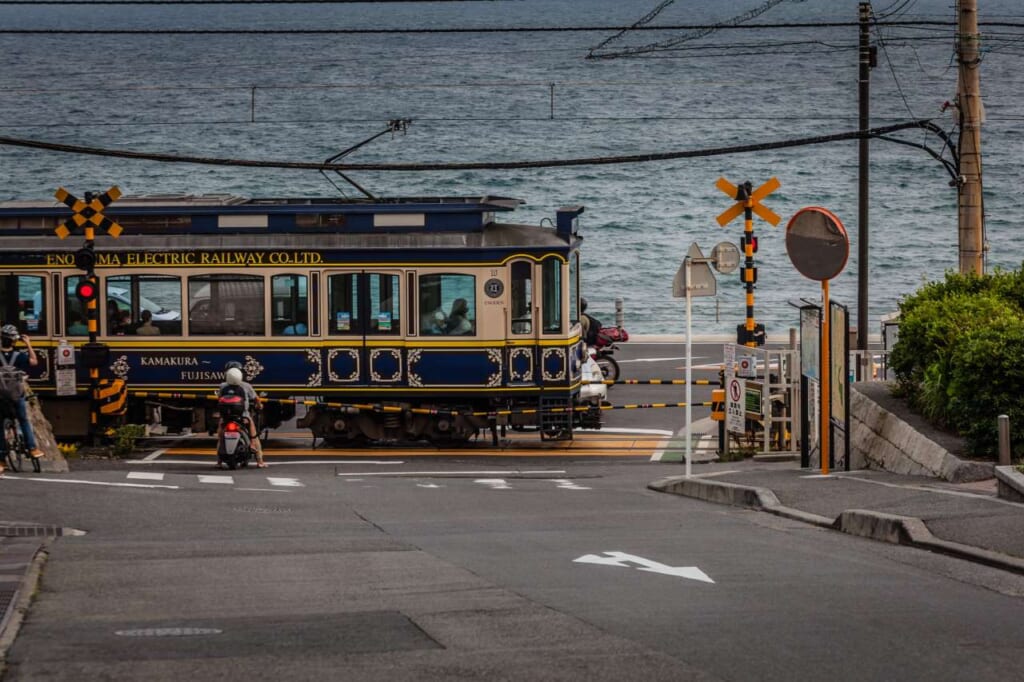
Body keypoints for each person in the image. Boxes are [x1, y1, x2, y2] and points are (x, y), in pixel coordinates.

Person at [0, 324, 44, 462]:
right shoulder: (19, 356)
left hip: (1, 397)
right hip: (17, 395)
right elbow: (34, 362)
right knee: (23, 420)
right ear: (14, 341)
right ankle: (32, 448)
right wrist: (28, 344)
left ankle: (1, 457)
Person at [217, 361, 264, 468]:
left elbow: (219, 398)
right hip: (243, 417)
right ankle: (259, 460)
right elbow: (256, 399)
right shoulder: (246, 386)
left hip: (226, 417)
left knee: (220, 436)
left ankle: (219, 461)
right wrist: (259, 405)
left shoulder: (223, 386)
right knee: (253, 431)